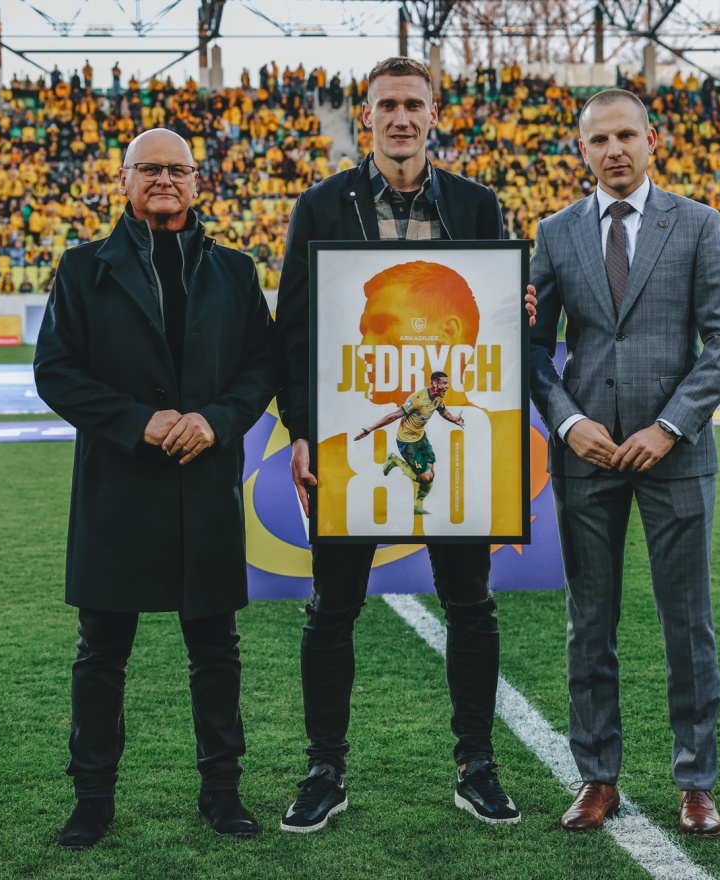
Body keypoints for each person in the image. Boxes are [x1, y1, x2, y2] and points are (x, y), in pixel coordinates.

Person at [274, 56, 535, 834]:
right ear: (367, 116)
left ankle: (476, 765)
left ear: (432, 115)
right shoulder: (321, 205)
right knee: (332, 608)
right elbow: (293, 332)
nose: (399, 117)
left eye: (412, 104)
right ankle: (325, 769)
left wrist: (517, 309)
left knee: (471, 604)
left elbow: (497, 327)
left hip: (454, 447)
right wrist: (299, 430)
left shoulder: (476, 204)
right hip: (349, 442)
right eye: (386, 104)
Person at [34, 128, 278, 850]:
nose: (165, 180)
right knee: (101, 651)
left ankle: (222, 794)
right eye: (150, 169)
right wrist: (138, 421)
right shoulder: (83, 268)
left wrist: (216, 420)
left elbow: (262, 368)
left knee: (216, 649)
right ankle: (92, 800)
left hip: (204, 485)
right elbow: (56, 372)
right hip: (118, 488)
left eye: (178, 170)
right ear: (124, 180)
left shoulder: (234, 270)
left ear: (197, 182)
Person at [528, 89, 720, 837]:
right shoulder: (555, 232)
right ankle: (597, 778)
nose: (614, 149)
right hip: (586, 456)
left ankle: (697, 782)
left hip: (674, 458)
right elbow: (533, 348)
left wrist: (670, 427)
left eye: (626, 135)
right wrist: (568, 422)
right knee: (589, 624)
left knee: (688, 624)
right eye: (599, 140)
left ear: (651, 141)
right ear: (581, 150)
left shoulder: (697, 224)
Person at [354, 371, 465, 515]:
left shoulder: (438, 398)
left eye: (447, 383)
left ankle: (417, 506)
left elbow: (443, 411)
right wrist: (371, 428)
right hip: (407, 442)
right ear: (434, 383)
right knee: (427, 477)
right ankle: (394, 460)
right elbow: (394, 415)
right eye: (444, 383)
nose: (447, 386)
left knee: (430, 475)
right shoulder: (418, 399)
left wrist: (454, 419)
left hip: (421, 437)